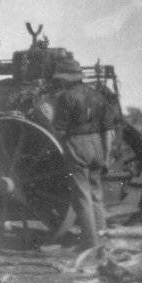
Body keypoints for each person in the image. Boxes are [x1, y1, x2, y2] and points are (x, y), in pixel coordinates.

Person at [51, 59, 114, 251]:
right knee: (96, 194)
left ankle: (89, 243)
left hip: (77, 144)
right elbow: (108, 131)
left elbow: (58, 130)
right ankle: (102, 241)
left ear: (65, 79)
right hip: (98, 145)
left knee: (82, 196)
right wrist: (106, 156)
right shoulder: (98, 96)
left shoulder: (65, 97)